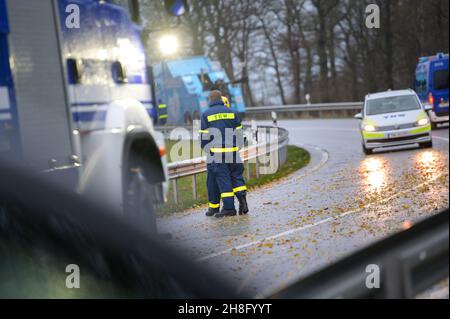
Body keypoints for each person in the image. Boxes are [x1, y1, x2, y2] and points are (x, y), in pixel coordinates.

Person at [199, 90, 249, 218]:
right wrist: (237, 147)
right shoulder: (232, 112)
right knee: (237, 177)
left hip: (217, 154)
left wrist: (206, 149)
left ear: (210, 99)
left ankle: (229, 208)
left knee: (224, 179)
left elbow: (204, 137)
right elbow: (239, 133)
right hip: (233, 152)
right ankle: (243, 202)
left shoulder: (206, 114)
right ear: (221, 98)